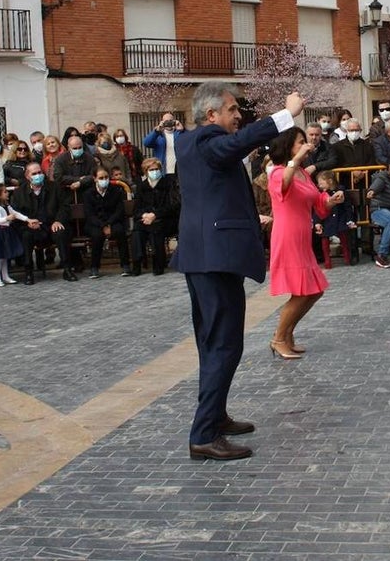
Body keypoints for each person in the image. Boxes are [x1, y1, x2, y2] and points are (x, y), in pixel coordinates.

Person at [171, 82, 305, 462]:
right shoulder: (208, 142)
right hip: (214, 259)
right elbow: (236, 144)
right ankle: (203, 434)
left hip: (204, 258)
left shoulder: (189, 141)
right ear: (211, 115)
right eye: (231, 109)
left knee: (212, 343)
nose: (238, 115)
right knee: (224, 345)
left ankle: (215, 415)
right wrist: (285, 114)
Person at [266, 127, 345, 359]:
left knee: (315, 291)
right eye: (300, 142)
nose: (306, 145)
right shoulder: (278, 171)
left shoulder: (302, 173)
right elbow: (282, 187)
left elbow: (317, 203)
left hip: (302, 237)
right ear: (289, 146)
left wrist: (330, 200)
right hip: (287, 236)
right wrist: (297, 159)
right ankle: (278, 338)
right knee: (301, 292)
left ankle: (288, 335)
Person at [11, 161, 76, 283]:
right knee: (26, 236)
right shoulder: (19, 193)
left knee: (61, 232)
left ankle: (67, 269)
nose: (38, 175)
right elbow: (15, 213)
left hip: (51, 224)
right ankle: (28, 272)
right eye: (34, 173)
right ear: (27, 176)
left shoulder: (54, 187)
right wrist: (28, 222)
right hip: (31, 227)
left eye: (40, 172)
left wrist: (58, 220)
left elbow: (64, 207)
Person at [130, 157, 179, 276]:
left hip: (165, 219)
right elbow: (136, 208)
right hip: (146, 219)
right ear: (146, 171)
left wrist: (155, 215)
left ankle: (158, 264)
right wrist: (145, 215)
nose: (154, 172)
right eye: (151, 170)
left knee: (156, 229)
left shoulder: (168, 184)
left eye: (156, 169)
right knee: (137, 230)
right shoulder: (142, 186)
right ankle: (137, 263)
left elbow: (173, 205)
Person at [83, 167, 130, 278]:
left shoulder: (116, 191)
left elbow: (119, 211)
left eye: (106, 177)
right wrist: (103, 225)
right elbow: (89, 215)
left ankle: (125, 265)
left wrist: (109, 223)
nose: (104, 180)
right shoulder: (88, 194)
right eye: (101, 178)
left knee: (120, 231)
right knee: (97, 235)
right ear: (95, 179)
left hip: (112, 221)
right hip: (95, 223)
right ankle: (94, 267)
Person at [0, 183, 27, 287]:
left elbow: (15, 213)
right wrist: (8, 218)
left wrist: (26, 219)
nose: (7, 193)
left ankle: (5, 276)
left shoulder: (6, 206)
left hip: (5, 232)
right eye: (5, 192)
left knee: (5, 256)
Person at [313, 169, 357, 267]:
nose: (319, 185)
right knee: (324, 240)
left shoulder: (340, 191)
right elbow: (317, 209)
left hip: (340, 219)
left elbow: (347, 207)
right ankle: (327, 260)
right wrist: (317, 222)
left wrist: (350, 220)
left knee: (344, 238)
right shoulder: (320, 194)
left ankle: (347, 257)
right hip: (326, 220)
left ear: (330, 181)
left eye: (321, 183)